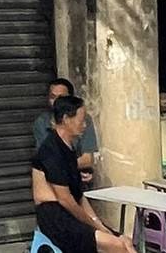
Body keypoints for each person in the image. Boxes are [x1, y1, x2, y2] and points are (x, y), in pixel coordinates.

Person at [31, 93, 134, 253]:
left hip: (70, 213)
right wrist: (93, 224)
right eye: (81, 120)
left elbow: (79, 196)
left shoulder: (69, 148)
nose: (85, 125)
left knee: (125, 241)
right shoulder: (51, 151)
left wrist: (97, 222)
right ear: (66, 119)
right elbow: (66, 200)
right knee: (115, 245)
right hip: (56, 218)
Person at [34, 77, 100, 189]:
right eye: (52, 97)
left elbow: (87, 160)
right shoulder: (42, 122)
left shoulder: (84, 120)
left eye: (61, 97)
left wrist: (65, 167)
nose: (56, 101)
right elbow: (47, 163)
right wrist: (71, 168)